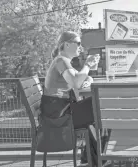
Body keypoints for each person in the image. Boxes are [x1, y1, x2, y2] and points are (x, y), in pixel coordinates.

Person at [40, 31, 106, 166]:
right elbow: (76, 82)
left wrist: (88, 78)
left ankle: (94, 160)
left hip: (59, 111)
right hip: (59, 116)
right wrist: (87, 65)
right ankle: (102, 158)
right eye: (78, 43)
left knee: (98, 107)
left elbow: (82, 78)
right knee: (102, 105)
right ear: (67, 44)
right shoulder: (61, 61)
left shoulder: (63, 61)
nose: (80, 47)